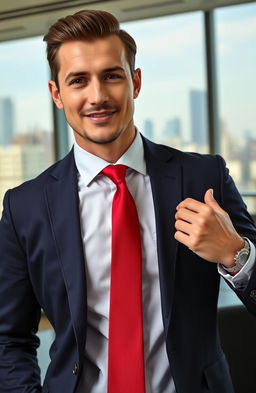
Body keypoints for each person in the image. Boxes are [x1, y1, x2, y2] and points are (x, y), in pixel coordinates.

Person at [0, 9, 255, 393]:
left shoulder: (205, 177)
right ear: (57, 94)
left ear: (135, 82)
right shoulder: (26, 207)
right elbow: (9, 339)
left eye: (111, 76)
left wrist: (235, 253)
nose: (97, 96)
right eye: (78, 80)